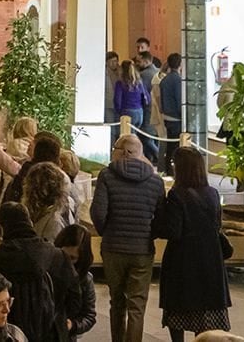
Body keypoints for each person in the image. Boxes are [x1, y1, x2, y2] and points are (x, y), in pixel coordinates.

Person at [92, 133, 166, 342]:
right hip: (142, 250)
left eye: (114, 149)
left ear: (122, 152)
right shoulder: (156, 181)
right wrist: (149, 234)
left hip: (113, 248)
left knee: (117, 301)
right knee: (137, 305)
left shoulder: (107, 176)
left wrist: (107, 232)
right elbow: (161, 218)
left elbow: (98, 212)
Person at [157, 145, 233, 339]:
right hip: (211, 262)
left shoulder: (176, 194)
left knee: (178, 314)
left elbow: (173, 231)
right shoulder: (213, 193)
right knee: (204, 319)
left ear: (180, 168)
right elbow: (216, 225)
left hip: (183, 262)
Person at [0, 203, 76, 342]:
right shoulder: (58, 257)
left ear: (0, 229)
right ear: (30, 223)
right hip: (54, 334)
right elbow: (75, 299)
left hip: (7, 336)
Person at [55, 224, 98, 341]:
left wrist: (73, 325)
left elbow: (89, 316)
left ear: (82, 258)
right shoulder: (46, 270)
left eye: (72, 258)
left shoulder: (85, 280)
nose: (66, 261)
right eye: (62, 255)